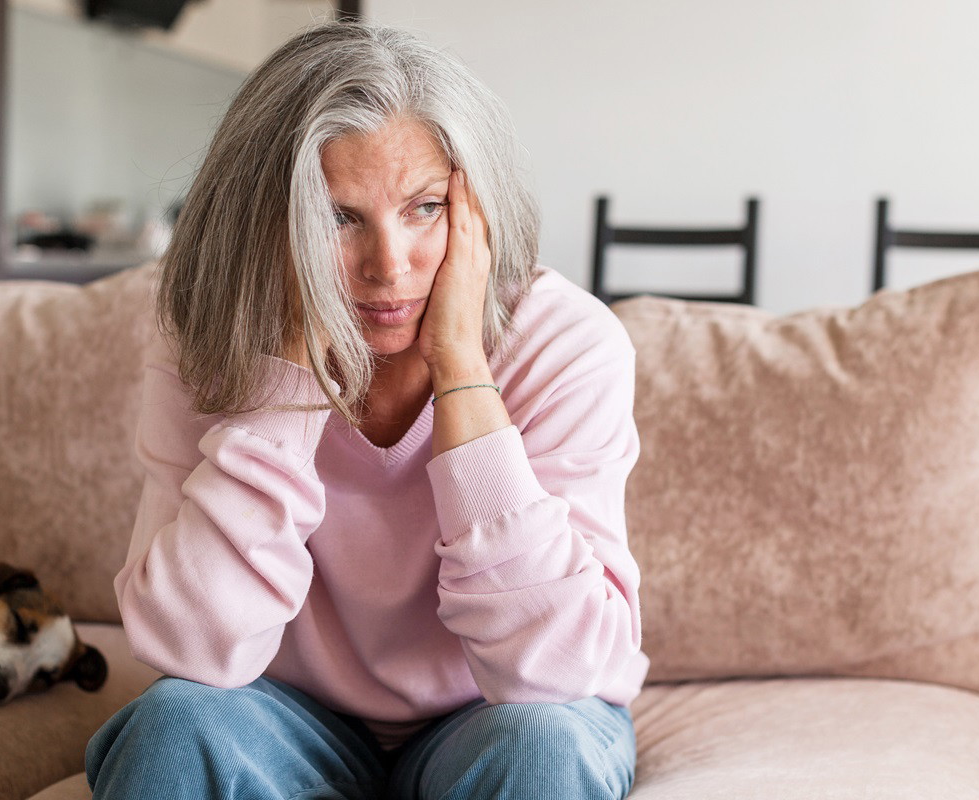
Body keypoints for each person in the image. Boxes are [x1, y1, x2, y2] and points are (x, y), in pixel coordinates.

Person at [85, 21, 647, 799]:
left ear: (476, 211)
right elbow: (191, 645)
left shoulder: (568, 342)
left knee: (547, 745)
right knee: (173, 728)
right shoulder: (203, 338)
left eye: (423, 208)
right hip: (285, 712)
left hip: (492, 714)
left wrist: (462, 370)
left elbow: (560, 668)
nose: (390, 266)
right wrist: (288, 373)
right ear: (267, 226)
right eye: (338, 218)